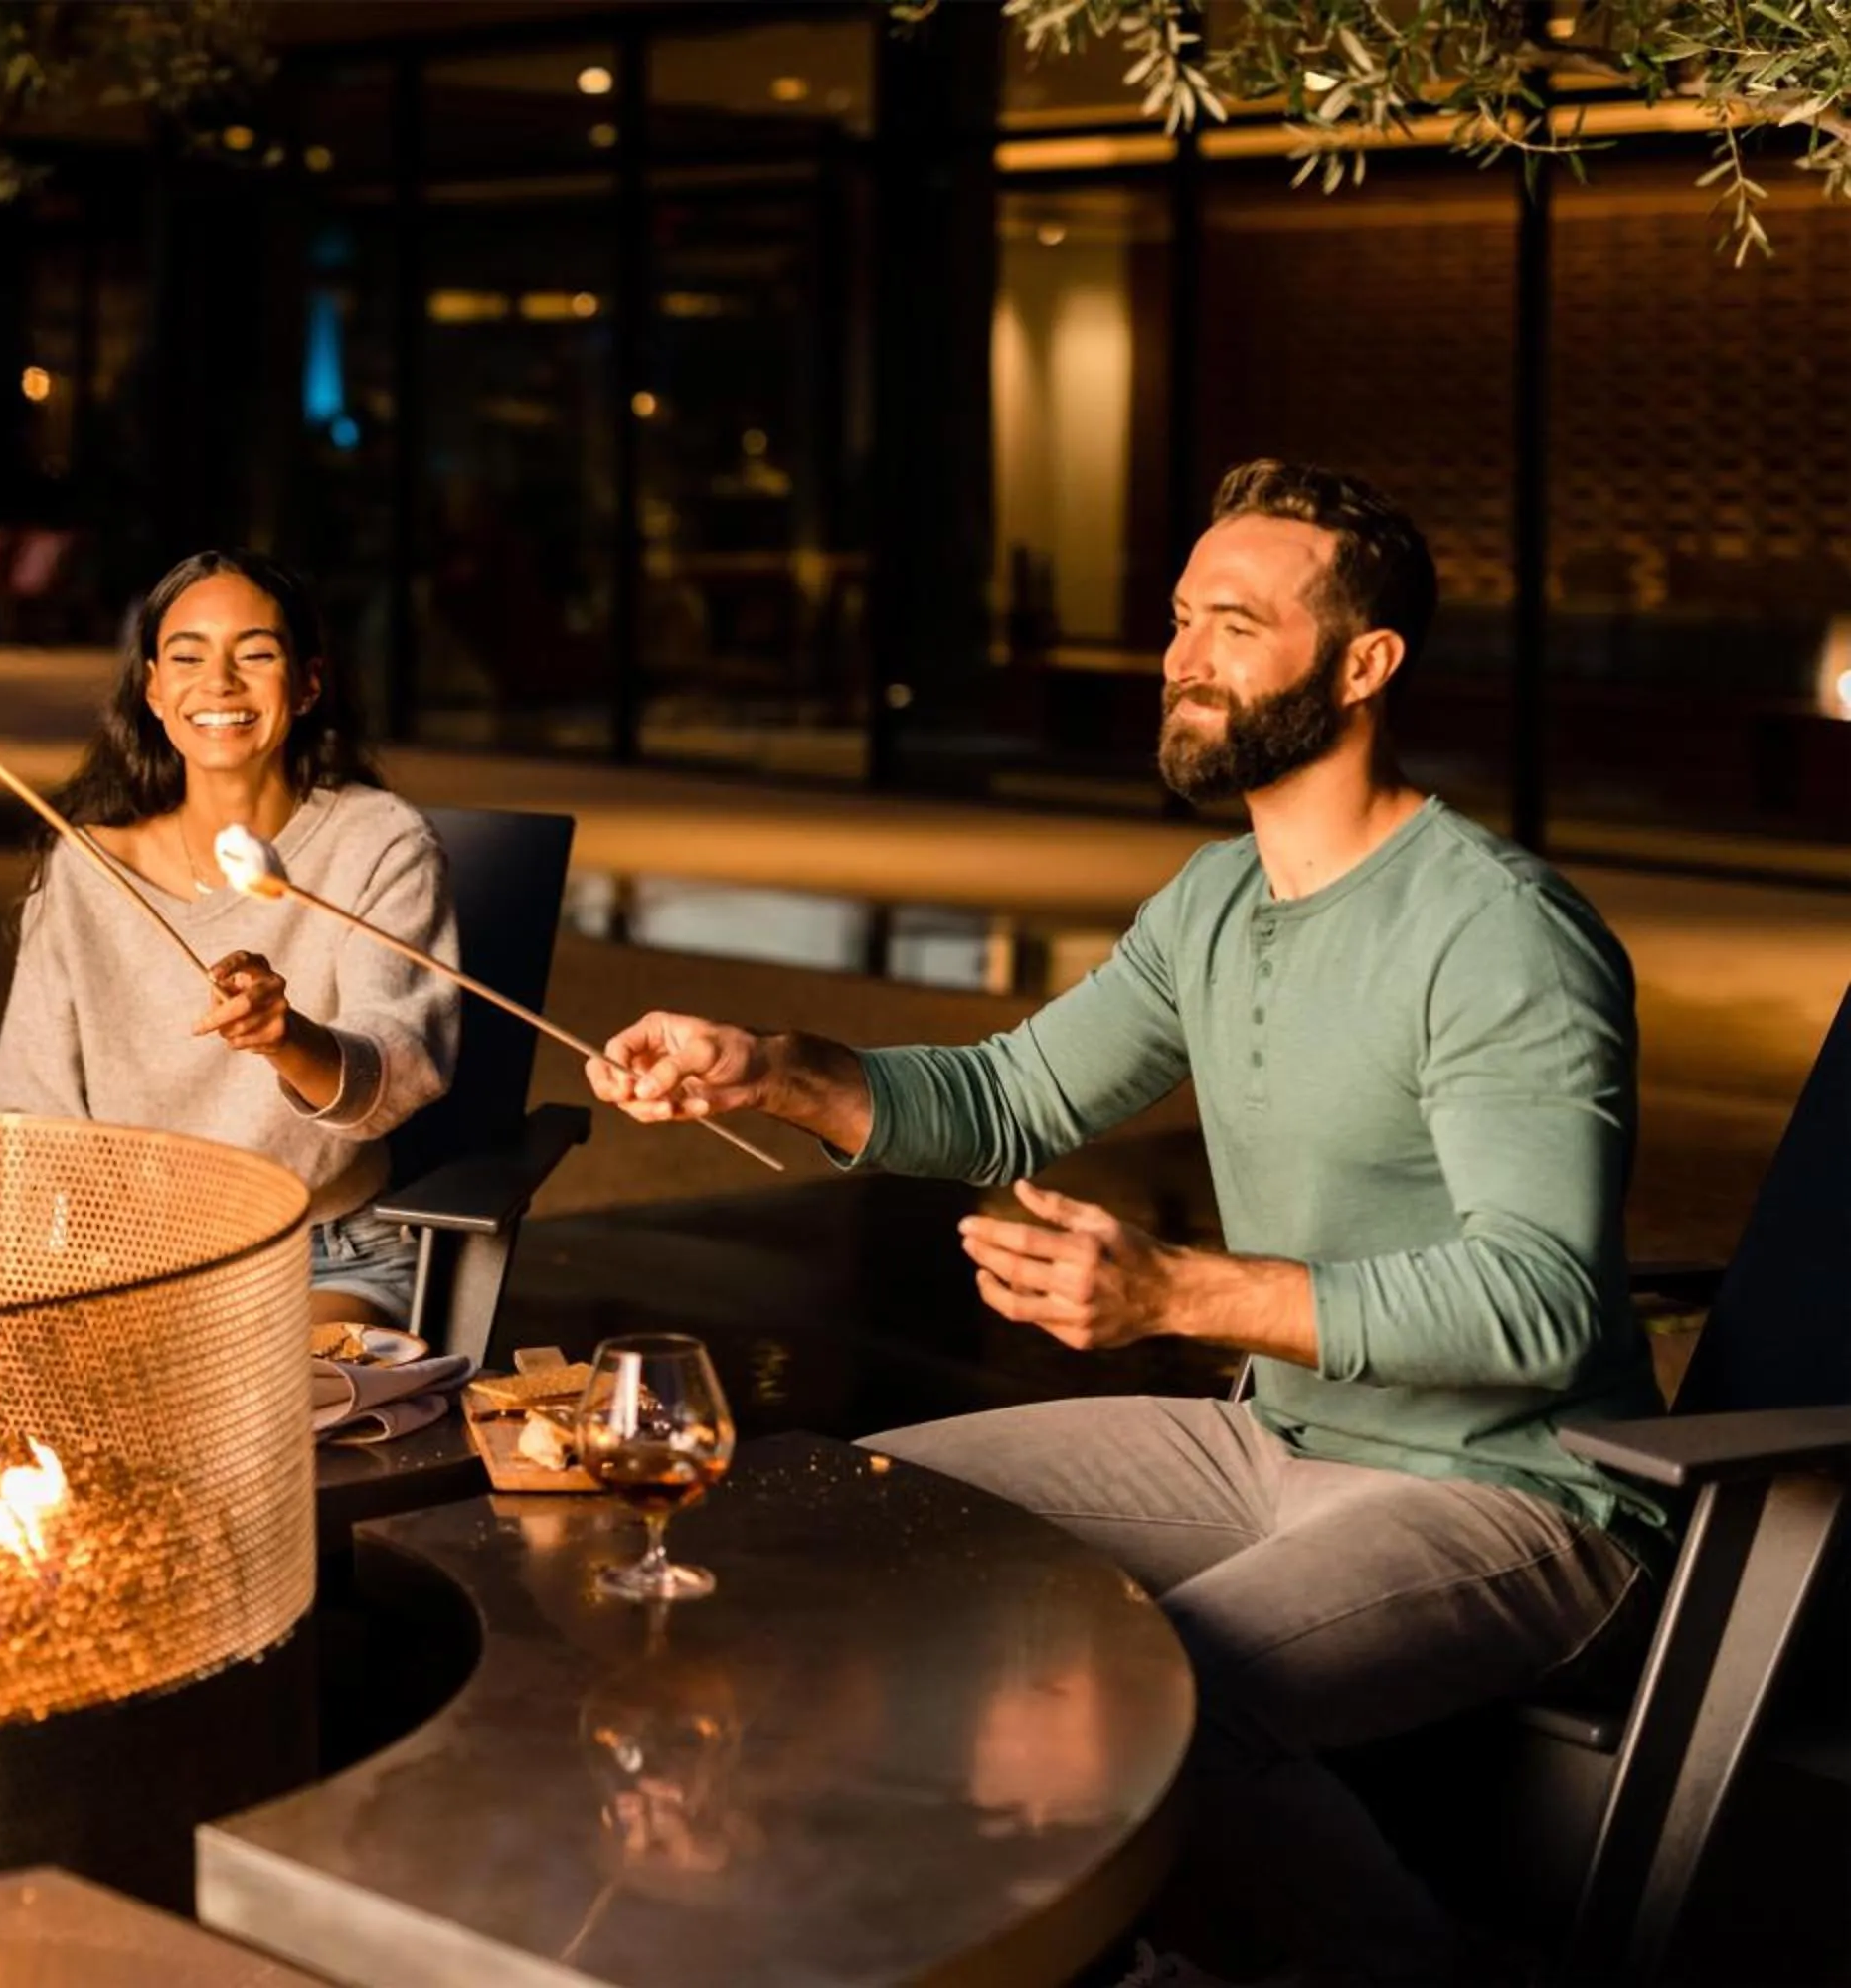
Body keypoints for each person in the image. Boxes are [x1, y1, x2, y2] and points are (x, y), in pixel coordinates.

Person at [585, 461, 1668, 1985]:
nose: (1182, 657)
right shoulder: (1214, 904)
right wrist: (775, 1070)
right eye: (1178, 619)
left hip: (1516, 1497)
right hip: (1271, 1444)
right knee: (820, 1515)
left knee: (1172, 1707)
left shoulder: (1497, 933)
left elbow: (1538, 1304)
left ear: (1364, 668)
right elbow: (1016, 1092)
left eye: (1236, 623)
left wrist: (1179, 1294)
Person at [0, 549, 457, 1335]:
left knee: (252, 1416)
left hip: (320, 1256)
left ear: (307, 683)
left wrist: (288, 1035)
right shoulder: (86, 867)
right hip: (127, 1265)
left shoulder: (380, 843)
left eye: (257, 654)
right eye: (189, 656)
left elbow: (400, 1064)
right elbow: (29, 1107)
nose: (221, 681)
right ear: (155, 689)